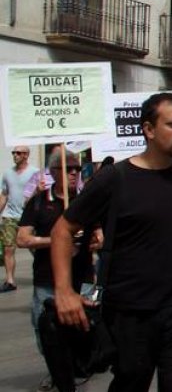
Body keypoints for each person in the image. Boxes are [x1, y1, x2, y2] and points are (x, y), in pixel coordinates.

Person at [52, 91, 172, 391]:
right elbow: (62, 231)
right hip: (129, 313)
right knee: (130, 383)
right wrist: (64, 291)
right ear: (148, 129)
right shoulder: (114, 179)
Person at [18, 148, 93, 392]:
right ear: (53, 172)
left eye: (77, 169)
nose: (74, 173)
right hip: (47, 279)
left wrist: (96, 241)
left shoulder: (87, 201)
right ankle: (56, 371)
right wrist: (56, 241)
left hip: (82, 278)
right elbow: (23, 238)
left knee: (82, 329)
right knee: (47, 331)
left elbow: (101, 234)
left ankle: (77, 365)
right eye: (67, 169)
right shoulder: (40, 202)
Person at [1, 144, 37, 292]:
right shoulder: (7, 173)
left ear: (26, 155)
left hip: (28, 218)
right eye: (13, 153)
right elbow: (4, 195)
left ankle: (45, 274)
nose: (15, 155)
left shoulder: (35, 172)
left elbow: (40, 193)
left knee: (34, 248)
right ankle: (10, 281)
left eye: (18, 153)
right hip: (10, 216)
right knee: (8, 248)